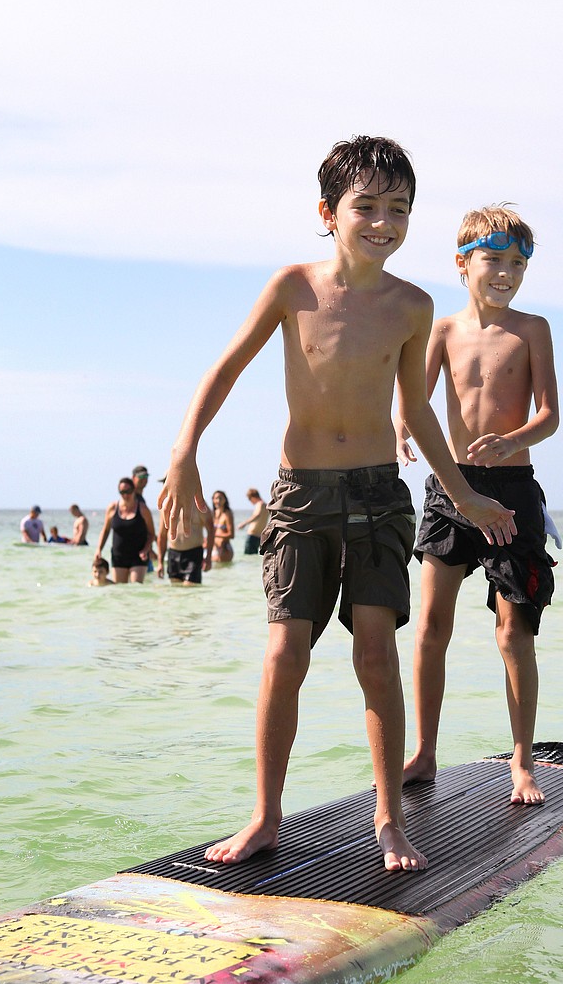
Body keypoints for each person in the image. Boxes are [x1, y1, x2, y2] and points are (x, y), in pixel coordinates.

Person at [159, 135, 516, 874]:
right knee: (284, 652)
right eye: (367, 206)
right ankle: (265, 815)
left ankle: (389, 818)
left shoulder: (413, 306)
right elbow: (225, 368)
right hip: (302, 495)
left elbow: (416, 412)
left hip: (378, 494)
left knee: (375, 653)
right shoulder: (293, 287)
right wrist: (184, 452)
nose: (384, 222)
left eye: (400, 209)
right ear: (328, 212)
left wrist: (465, 495)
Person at [397, 205, 559, 803]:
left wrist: (513, 440)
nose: (506, 273)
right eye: (494, 259)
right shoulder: (442, 330)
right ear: (463, 264)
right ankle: (424, 752)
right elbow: (414, 400)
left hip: (512, 491)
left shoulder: (533, 329)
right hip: (449, 488)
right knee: (430, 625)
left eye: (518, 263)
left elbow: (550, 415)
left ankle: (522, 760)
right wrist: (399, 428)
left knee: (514, 632)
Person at [94, 477, 156, 583]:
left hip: (138, 556)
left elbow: (151, 534)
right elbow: (105, 530)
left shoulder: (143, 509)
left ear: (134, 490)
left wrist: (146, 550)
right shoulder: (112, 508)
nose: (125, 495)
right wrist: (99, 549)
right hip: (118, 556)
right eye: (122, 492)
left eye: (128, 491)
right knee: (120, 589)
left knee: (136, 587)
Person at [158, 502, 215, 584]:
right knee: (175, 588)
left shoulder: (199, 504)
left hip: (193, 554)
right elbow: (162, 535)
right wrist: (160, 563)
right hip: (173, 554)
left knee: (190, 588)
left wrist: (208, 557)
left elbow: (211, 530)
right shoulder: (168, 505)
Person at [238, 488, 269, 554]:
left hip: (252, 534)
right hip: (259, 536)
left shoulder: (259, 504)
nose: (250, 501)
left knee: (248, 555)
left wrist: (244, 523)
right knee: (253, 554)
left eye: (249, 499)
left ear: (252, 497)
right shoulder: (266, 505)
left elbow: (257, 515)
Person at [212, 490, 236, 563]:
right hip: (215, 548)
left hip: (225, 549)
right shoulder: (213, 513)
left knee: (224, 569)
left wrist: (214, 535)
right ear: (213, 500)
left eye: (220, 498)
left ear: (225, 500)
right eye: (216, 498)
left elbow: (231, 535)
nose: (218, 501)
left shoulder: (227, 514)